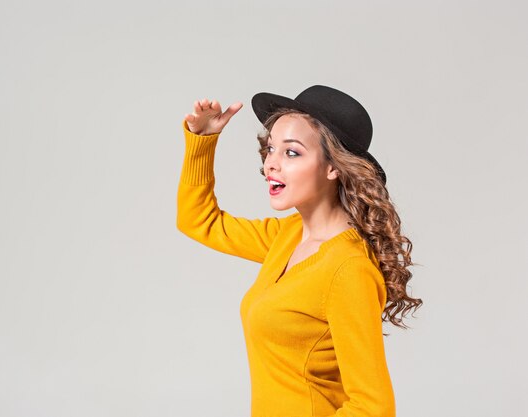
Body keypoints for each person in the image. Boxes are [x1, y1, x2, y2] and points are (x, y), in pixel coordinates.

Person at [177, 85, 422, 417]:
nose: (271, 165)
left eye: (291, 152)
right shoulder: (289, 235)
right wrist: (202, 143)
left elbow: (373, 406)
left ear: (333, 167)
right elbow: (199, 221)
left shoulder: (347, 268)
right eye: (270, 149)